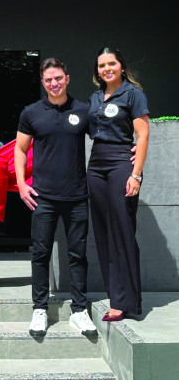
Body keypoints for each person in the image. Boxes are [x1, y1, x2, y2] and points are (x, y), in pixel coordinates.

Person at [14, 58, 97, 338]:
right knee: (40, 254)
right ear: (43, 82)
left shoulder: (83, 110)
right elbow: (21, 150)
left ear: (67, 78)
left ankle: (79, 311)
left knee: (77, 255)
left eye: (59, 78)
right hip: (43, 198)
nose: (54, 83)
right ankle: (40, 309)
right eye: (49, 79)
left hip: (76, 196)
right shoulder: (31, 113)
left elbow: (104, 140)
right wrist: (21, 184)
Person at [87, 47, 149, 321]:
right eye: (102, 65)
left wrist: (135, 174)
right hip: (96, 165)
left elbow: (143, 134)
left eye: (111, 63)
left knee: (122, 231)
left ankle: (126, 302)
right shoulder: (95, 97)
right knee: (103, 233)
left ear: (122, 66)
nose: (106, 69)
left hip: (120, 164)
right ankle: (117, 294)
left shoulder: (133, 94)